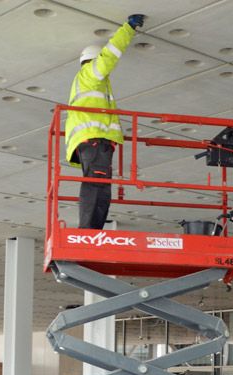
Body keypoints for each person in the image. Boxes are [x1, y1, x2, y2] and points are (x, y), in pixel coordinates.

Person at [66, 14, 145, 230]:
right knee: (96, 185)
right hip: (95, 140)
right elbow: (110, 55)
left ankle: (93, 230)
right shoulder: (90, 74)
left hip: (96, 142)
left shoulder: (88, 82)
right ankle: (89, 232)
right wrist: (128, 29)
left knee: (100, 186)